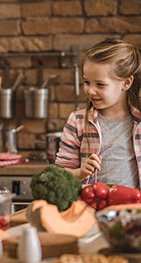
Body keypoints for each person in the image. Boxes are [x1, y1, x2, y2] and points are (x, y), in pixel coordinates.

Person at [55, 38, 141, 189]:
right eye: (87, 82)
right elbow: (59, 174)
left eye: (100, 84)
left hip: (131, 209)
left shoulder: (138, 121)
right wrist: (80, 173)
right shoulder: (78, 121)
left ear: (126, 83)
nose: (90, 90)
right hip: (89, 207)